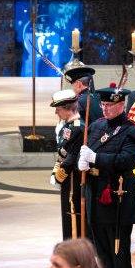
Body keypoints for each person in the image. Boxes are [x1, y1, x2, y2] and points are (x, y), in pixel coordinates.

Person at [77, 83, 135, 268]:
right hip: (96, 194)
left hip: (117, 195)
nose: (105, 109)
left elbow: (126, 161)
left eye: (110, 105)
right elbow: (90, 150)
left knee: (118, 246)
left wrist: (95, 158)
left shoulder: (132, 131)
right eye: (103, 104)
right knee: (101, 246)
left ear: (121, 105)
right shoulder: (96, 126)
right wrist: (83, 161)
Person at [50, 89, 85, 240]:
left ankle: (74, 253)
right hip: (67, 178)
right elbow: (62, 154)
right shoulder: (68, 125)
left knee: (72, 214)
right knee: (67, 213)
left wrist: (58, 177)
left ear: (67, 109)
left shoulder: (77, 127)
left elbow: (70, 159)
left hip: (72, 180)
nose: (56, 113)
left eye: (58, 109)